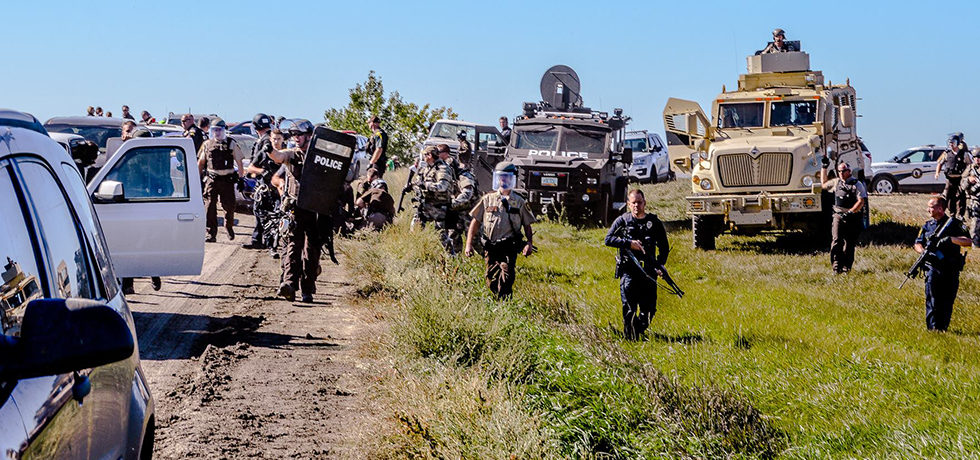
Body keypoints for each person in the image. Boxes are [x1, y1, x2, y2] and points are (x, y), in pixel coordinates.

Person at [268, 119, 325, 303]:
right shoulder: (292, 155)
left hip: (315, 209)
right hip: (295, 208)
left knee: (312, 249)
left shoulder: (319, 156)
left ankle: (308, 289)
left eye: (299, 135)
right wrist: (268, 150)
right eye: (293, 135)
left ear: (309, 136)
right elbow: (279, 156)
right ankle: (289, 284)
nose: (296, 138)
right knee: (293, 245)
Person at [604, 189, 669, 340]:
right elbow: (608, 239)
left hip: (648, 273)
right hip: (629, 272)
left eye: (639, 202)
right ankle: (630, 340)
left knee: (649, 311)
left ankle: (637, 331)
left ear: (644, 203)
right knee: (629, 309)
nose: (636, 206)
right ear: (628, 204)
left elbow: (664, 247)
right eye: (633, 203)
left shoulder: (654, 223)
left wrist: (659, 265)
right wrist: (628, 243)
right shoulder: (623, 221)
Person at [465, 162, 535, 299]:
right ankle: (496, 301)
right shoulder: (487, 199)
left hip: (509, 247)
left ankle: (505, 301)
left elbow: (527, 225)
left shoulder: (519, 201)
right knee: (491, 277)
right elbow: (475, 222)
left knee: (507, 276)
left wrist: (529, 243)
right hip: (491, 247)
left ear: (512, 179)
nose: (504, 180)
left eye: (507, 177)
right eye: (501, 177)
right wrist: (469, 244)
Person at [914, 197, 972, 331]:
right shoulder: (927, 225)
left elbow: (968, 241)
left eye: (931, 207)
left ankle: (943, 327)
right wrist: (922, 251)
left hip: (950, 268)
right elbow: (917, 243)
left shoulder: (955, 224)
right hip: (932, 266)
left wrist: (951, 239)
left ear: (940, 209)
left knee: (947, 299)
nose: (928, 209)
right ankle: (932, 328)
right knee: (932, 298)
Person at [197, 120, 245, 242]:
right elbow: (201, 163)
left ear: (224, 130)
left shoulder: (231, 143)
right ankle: (211, 233)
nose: (217, 133)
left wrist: (241, 178)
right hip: (212, 180)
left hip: (227, 180)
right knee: (209, 207)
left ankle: (228, 226)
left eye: (219, 130)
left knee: (229, 206)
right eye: (215, 130)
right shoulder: (207, 144)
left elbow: (239, 162)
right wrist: (197, 179)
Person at [821, 159, 867, 273]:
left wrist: (851, 212)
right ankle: (836, 268)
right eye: (839, 171)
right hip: (838, 215)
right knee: (836, 241)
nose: (841, 173)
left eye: (843, 171)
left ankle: (847, 268)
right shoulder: (836, 183)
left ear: (849, 171)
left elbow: (861, 201)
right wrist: (824, 168)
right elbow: (824, 184)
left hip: (852, 217)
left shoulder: (857, 184)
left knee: (849, 244)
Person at [243, 113, 279, 251]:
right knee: (261, 211)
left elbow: (262, 163)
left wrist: (258, 172)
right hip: (266, 182)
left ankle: (266, 242)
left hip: (267, 183)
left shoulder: (265, 141)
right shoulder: (266, 139)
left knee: (264, 212)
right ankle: (260, 239)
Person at [418, 146, 455, 251]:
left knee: (441, 235)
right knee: (417, 228)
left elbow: (442, 186)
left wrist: (426, 185)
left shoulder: (442, 168)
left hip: (439, 207)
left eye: (425, 154)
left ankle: (451, 259)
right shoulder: (428, 168)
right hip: (427, 205)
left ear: (430, 155)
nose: (423, 157)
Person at [448, 143, 479, 254]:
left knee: (475, 241)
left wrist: (451, 203)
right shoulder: (453, 177)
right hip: (457, 212)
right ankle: (455, 262)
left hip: (469, 213)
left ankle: (491, 262)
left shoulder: (464, 176)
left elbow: (467, 194)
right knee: (453, 237)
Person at [935, 133, 970, 219]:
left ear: (958, 143)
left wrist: (967, 175)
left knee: (961, 196)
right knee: (949, 196)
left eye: (953, 142)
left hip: (960, 179)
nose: (951, 144)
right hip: (949, 179)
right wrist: (937, 173)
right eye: (950, 142)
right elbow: (939, 163)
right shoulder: (946, 153)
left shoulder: (964, 154)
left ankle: (960, 215)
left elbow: (969, 164)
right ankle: (951, 214)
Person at [963, 148, 980, 247]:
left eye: (979, 157)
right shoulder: (970, 169)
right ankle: (975, 247)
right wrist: (969, 180)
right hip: (975, 202)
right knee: (974, 227)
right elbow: (962, 185)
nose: (977, 160)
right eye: (975, 157)